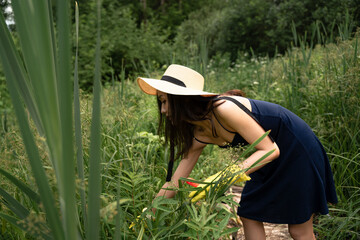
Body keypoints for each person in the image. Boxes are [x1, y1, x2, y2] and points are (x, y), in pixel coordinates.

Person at [136, 64, 338, 240]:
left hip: (296, 150)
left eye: (164, 101)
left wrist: (219, 179)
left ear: (182, 99)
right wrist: (150, 212)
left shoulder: (223, 109)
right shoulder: (198, 132)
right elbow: (175, 180)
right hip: (267, 156)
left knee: (299, 230)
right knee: (249, 212)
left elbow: (270, 149)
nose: (162, 110)